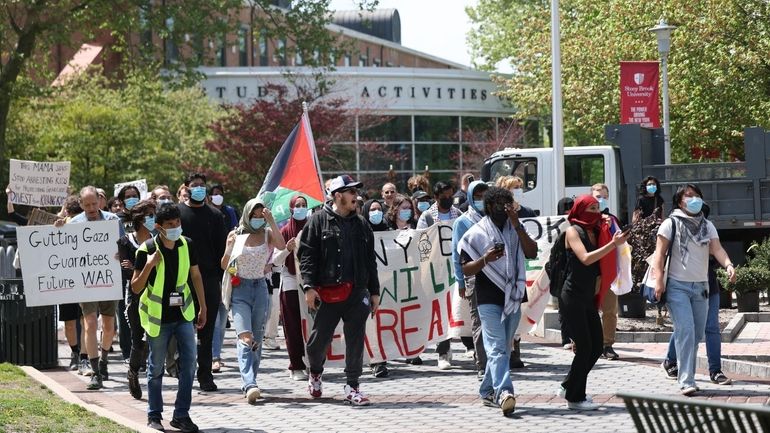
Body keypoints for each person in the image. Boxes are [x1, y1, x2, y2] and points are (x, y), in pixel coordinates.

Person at [297, 174, 380, 406]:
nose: (356, 196)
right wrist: (309, 287)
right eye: (351, 192)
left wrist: (373, 291)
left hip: (357, 292)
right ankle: (315, 371)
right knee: (318, 342)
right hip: (327, 292)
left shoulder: (362, 224)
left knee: (355, 340)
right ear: (338, 196)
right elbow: (307, 257)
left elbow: (370, 260)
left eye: (356, 192)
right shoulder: (317, 221)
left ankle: (352, 386)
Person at [652, 184, 736, 396]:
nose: (694, 199)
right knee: (687, 331)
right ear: (680, 201)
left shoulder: (707, 226)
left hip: (701, 287)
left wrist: (728, 264)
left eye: (696, 195)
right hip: (677, 286)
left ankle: (680, 368)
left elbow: (716, 248)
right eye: (688, 196)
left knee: (697, 333)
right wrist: (659, 280)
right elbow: (659, 255)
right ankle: (686, 380)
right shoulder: (670, 224)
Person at [132, 203, 207, 433]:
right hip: (158, 318)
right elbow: (136, 287)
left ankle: (181, 415)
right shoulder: (145, 249)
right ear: (159, 227)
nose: (175, 228)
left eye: (178, 223)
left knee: (189, 365)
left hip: (184, 313)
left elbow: (195, 275)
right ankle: (154, 415)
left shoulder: (187, 244)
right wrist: (149, 265)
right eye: (170, 225)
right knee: (155, 369)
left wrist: (202, 306)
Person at [458, 186, 527, 416]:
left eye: (507, 205)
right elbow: (466, 268)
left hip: (514, 294)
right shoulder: (476, 232)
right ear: (489, 207)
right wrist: (485, 259)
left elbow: (533, 250)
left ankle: (487, 389)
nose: (503, 210)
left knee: (504, 349)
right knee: (497, 348)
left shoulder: (515, 227)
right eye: (499, 205)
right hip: (487, 297)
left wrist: (516, 223)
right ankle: (504, 392)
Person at [557, 194, 628, 410]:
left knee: (597, 346)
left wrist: (611, 235)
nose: (596, 212)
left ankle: (569, 385)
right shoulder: (572, 231)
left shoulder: (597, 230)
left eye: (598, 208)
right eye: (591, 208)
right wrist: (613, 244)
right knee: (585, 347)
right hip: (572, 295)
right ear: (579, 210)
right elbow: (586, 258)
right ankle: (575, 398)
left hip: (588, 296)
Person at [56, 186, 123, 390]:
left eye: (94, 204)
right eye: (87, 205)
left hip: (109, 279)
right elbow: (63, 250)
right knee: (90, 323)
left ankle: (103, 361)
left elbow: (124, 245)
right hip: (86, 282)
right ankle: (95, 371)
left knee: (109, 326)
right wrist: (58, 231)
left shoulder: (113, 220)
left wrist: (122, 254)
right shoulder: (75, 224)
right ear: (81, 205)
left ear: (99, 201)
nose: (91, 208)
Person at [221, 197, 286, 403]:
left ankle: (252, 380)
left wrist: (272, 222)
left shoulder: (267, 234)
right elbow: (224, 264)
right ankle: (249, 383)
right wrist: (230, 248)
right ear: (247, 214)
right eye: (254, 214)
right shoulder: (236, 234)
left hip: (260, 288)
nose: (258, 218)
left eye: (261, 214)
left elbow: (282, 244)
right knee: (245, 337)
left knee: (256, 338)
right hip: (240, 289)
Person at [179, 172, 228, 392]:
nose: (199, 188)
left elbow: (221, 252)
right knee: (183, 329)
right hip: (181, 280)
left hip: (208, 279)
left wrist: (219, 279)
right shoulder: (178, 214)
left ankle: (205, 375)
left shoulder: (216, 216)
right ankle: (183, 372)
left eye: (202, 185)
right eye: (194, 185)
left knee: (206, 331)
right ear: (186, 188)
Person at [119, 199, 156, 400]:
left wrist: (135, 267)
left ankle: (153, 379)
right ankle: (133, 372)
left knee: (155, 338)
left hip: (157, 295)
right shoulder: (125, 242)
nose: (153, 219)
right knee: (138, 339)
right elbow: (126, 274)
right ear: (140, 219)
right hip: (134, 296)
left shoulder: (158, 240)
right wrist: (139, 270)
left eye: (154, 215)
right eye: (150, 215)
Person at [452, 181, 489, 380]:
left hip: (497, 278)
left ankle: (498, 362)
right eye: (477, 196)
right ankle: (482, 365)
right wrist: (460, 280)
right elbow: (456, 253)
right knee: (479, 322)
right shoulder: (463, 222)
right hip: (473, 277)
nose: (482, 200)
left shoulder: (494, 219)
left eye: (485, 195)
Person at [275, 195, 311, 381]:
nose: (301, 208)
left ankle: (311, 361)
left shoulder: (313, 227)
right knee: (293, 326)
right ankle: (296, 364)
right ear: (291, 209)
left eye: (304, 205)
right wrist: (287, 250)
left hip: (310, 283)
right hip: (290, 281)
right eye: (297, 205)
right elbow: (274, 261)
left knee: (312, 325)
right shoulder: (285, 231)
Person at [590, 183, 621, 361]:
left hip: (608, 272)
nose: (599, 199)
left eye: (603, 196)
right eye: (596, 196)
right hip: (590, 272)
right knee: (588, 309)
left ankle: (607, 345)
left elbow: (620, 244)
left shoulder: (613, 220)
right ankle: (586, 342)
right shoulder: (584, 220)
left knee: (610, 310)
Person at [362, 198, 390, 377]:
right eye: (372, 210)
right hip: (367, 285)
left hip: (388, 285)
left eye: (379, 209)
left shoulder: (389, 232)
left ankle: (382, 358)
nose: (376, 212)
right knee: (370, 324)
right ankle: (376, 361)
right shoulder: (361, 231)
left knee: (385, 325)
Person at [556, 196, 575, 350]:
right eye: (566, 208)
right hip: (561, 270)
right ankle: (565, 338)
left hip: (574, 270)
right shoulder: (559, 225)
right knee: (563, 306)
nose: (568, 211)